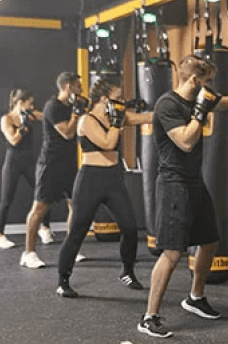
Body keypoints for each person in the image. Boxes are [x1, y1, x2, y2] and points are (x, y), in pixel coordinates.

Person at [137, 53, 228, 338]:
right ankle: (149, 316)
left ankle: (195, 297)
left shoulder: (199, 99)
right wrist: (201, 110)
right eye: (207, 80)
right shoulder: (168, 104)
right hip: (173, 184)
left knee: (210, 240)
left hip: (195, 182)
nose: (210, 86)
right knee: (172, 252)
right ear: (194, 79)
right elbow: (185, 141)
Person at [55, 77, 153, 298]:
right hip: (90, 179)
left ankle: (127, 272)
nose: (122, 102)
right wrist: (117, 122)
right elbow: (108, 143)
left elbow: (145, 117)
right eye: (117, 98)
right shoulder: (86, 121)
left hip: (113, 178)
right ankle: (63, 280)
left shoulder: (115, 116)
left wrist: (180, 110)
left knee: (129, 228)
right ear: (103, 98)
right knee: (77, 231)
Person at [20, 71, 89, 269]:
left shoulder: (71, 105)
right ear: (68, 86)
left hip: (68, 164)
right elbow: (67, 133)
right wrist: (76, 113)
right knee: (39, 209)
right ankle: (28, 253)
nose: (81, 89)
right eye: (78, 86)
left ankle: (71, 249)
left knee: (75, 205)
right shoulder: (53, 107)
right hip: (50, 165)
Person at [0, 89, 53, 249]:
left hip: (29, 160)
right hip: (13, 160)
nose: (32, 106)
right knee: (6, 199)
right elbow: (13, 140)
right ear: (20, 102)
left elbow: (47, 117)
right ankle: (0, 235)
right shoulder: (7, 119)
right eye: (29, 104)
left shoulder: (30, 114)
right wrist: (23, 127)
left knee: (43, 192)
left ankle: (44, 228)